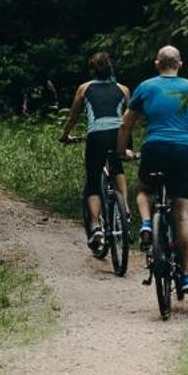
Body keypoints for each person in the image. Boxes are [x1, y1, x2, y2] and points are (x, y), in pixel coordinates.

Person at [116, 44, 188, 294]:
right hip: (183, 151)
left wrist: (121, 151)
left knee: (144, 190)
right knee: (182, 215)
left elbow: (126, 124)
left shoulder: (146, 87)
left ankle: (147, 223)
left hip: (155, 147)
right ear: (180, 64)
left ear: (157, 64)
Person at [59, 50, 132, 254]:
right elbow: (130, 118)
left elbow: (73, 117)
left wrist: (65, 135)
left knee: (93, 179)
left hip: (97, 136)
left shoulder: (85, 88)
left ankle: (96, 228)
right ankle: (124, 208)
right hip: (119, 133)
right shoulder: (123, 89)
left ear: (92, 70)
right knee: (117, 167)